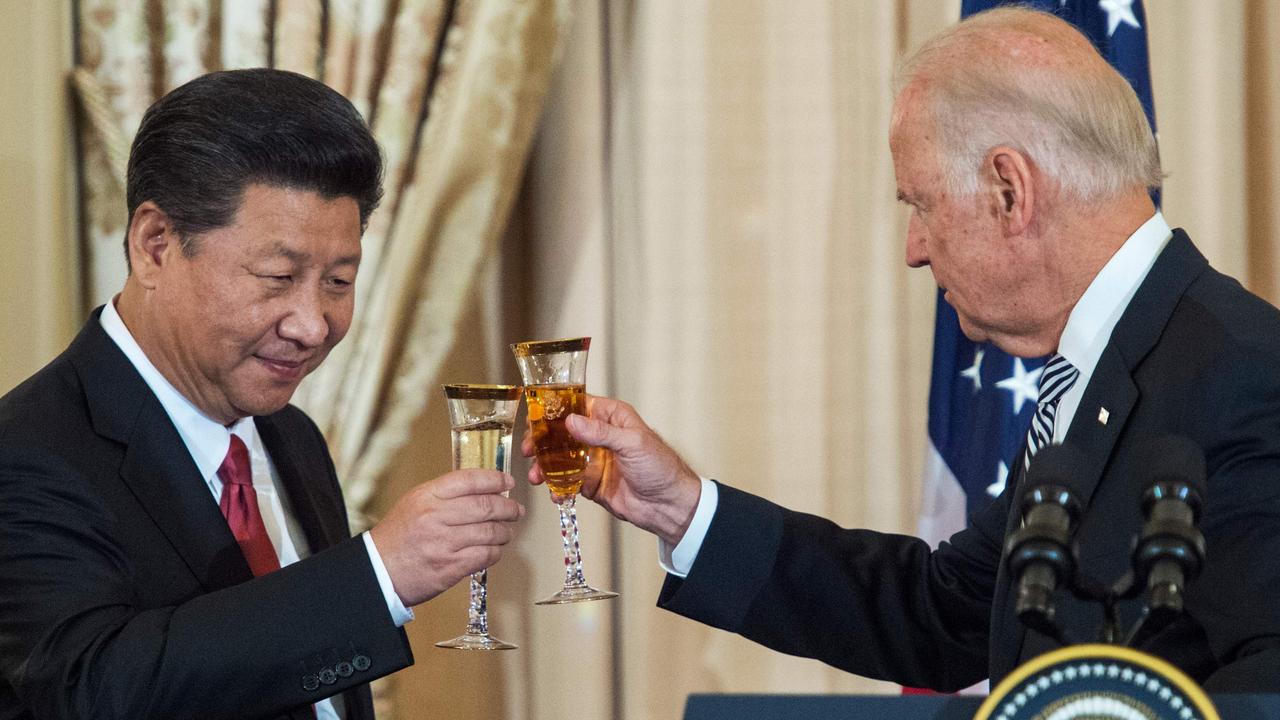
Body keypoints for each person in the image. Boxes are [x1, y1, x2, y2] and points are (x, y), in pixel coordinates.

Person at [524, 7, 1280, 692]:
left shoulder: (1243, 373)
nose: (915, 249)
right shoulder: (1106, 359)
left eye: (921, 203)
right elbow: (952, 614)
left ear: (1009, 190)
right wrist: (684, 511)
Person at [0, 69, 525, 719]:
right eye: (278, 276)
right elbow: (95, 689)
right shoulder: (27, 453)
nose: (312, 325)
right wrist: (377, 575)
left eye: (338, 281)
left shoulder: (291, 436)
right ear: (154, 245)